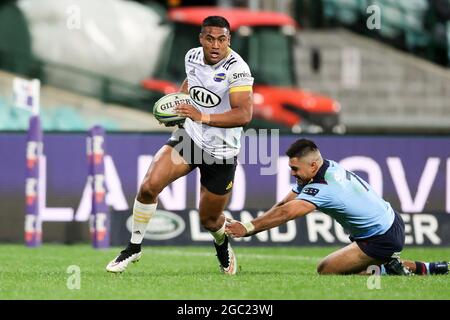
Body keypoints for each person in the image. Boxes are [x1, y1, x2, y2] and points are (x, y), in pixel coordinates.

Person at [106, 16, 253, 275]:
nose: (215, 45)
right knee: (149, 186)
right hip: (190, 138)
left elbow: (244, 114)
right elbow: (190, 85)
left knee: (208, 219)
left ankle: (222, 244)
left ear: (229, 40)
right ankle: (133, 247)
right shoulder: (192, 57)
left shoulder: (237, 69)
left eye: (222, 39)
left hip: (221, 153)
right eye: (210, 38)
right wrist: (178, 106)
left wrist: (202, 116)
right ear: (201, 39)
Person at [225, 139, 449, 276]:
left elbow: (287, 213)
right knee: (344, 265)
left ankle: (389, 267)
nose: (292, 173)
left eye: (295, 169)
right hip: (390, 221)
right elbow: (284, 203)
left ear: (313, 165)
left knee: (326, 269)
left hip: (381, 236)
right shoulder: (326, 167)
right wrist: (249, 225)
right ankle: (430, 268)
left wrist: (248, 228)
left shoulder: (324, 187)